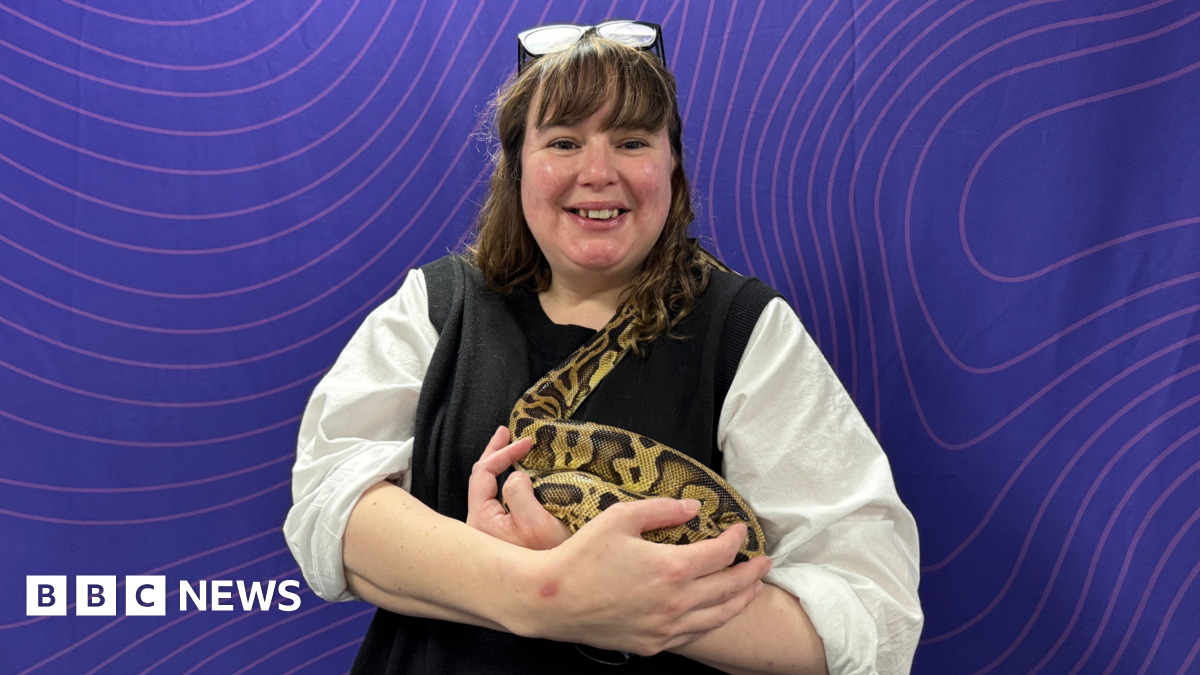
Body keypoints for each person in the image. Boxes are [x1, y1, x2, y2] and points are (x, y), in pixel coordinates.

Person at [284, 23, 922, 675]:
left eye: (631, 140)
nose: (598, 172)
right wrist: (542, 591)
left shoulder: (745, 329)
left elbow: (870, 615)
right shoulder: (434, 306)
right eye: (563, 141)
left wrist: (619, 595)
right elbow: (332, 512)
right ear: (517, 163)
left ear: (670, 160)